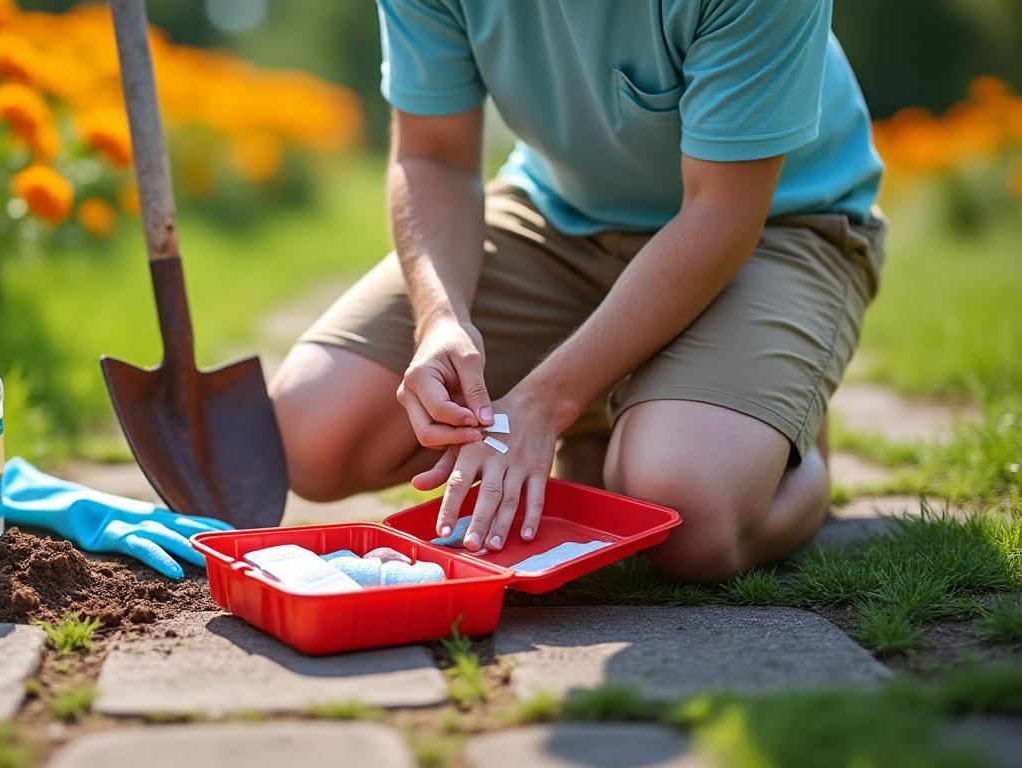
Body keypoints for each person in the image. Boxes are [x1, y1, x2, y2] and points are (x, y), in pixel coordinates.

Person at [270, 0, 885, 582]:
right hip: (558, 216)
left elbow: (721, 213)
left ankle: (790, 441)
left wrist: (544, 402)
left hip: (775, 224)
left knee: (685, 517)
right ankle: (619, 397)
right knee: (314, 435)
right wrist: (440, 319)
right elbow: (434, 155)